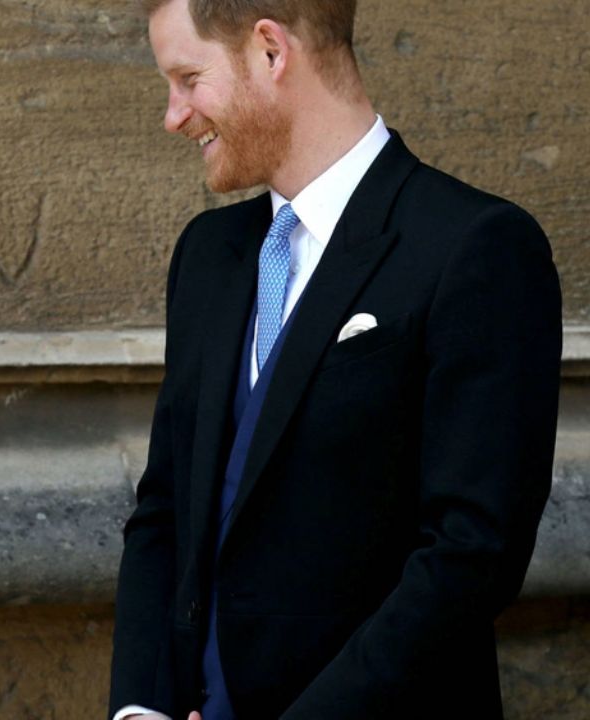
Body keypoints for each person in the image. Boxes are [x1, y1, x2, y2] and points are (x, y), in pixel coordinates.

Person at [109, 1, 561, 719]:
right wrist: (142, 709)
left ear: (269, 51)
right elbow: (165, 508)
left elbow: (471, 554)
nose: (174, 115)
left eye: (188, 79)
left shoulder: (474, 247)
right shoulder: (210, 256)